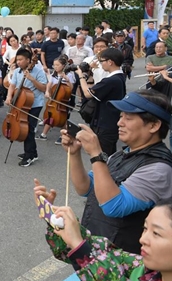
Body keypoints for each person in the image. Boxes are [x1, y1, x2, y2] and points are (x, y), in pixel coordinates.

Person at [59, 89, 172, 254]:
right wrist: (75, 153)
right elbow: (86, 188)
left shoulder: (158, 169)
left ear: (154, 125)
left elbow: (113, 206)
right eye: (121, 116)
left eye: (129, 118)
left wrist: (96, 154)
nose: (120, 122)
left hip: (125, 264)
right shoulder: (123, 153)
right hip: (101, 254)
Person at [34, 181, 172, 281]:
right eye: (145, 228)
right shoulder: (145, 271)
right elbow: (103, 253)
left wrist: (78, 244)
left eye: (156, 233)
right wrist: (58, 221)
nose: (143, 239)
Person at [76, 47, 126, 156]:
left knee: (101, 157)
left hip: (105, 124)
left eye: (102, 61)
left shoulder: (110, 80)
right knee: (109, 156)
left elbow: (87, 93)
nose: (100, 64)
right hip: (112, 122)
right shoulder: (120, 77)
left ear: (110, 62)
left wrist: (80, 75)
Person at [5, 48, 47, 167]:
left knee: (28, 129)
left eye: (21, 59)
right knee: (24, 127)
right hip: (21, 103)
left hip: (34, 104)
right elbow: (12, 85)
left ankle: (29, 155)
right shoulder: (18, 71)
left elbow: (43, 88)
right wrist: (9, 97)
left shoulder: (38, 71)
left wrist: (32, 79)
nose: (18, 62)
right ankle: (32, 152)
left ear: (28, 60)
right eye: (17, 60)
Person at [36, 55, 76, 143]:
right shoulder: (54, 73)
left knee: (63, 120)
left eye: (57, 65)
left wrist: (67, 79)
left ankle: (64, 135)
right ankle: (44, 134)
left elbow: (71, 88)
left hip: (63, 100)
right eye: (54, 65)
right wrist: (47, 91)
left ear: (63, 65)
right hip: (54, 98)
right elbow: (50, 84)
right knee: (50, 116)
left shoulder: (69, 74)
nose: (55, 67)